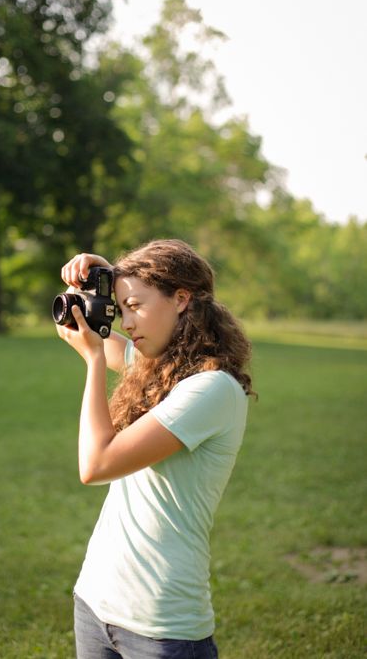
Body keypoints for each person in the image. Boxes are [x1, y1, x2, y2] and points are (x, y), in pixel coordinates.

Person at [56, 239, 255, 659]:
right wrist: (101, 281)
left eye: (135, 306)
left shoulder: (211, 389)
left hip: (161, 625)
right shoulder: (160, 368)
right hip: (95, 601)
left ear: (181, 299)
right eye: (123, 309)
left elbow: (96, 464)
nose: (127, 322)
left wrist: (93, 364)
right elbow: (96, 332)